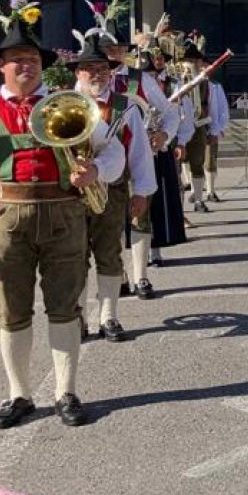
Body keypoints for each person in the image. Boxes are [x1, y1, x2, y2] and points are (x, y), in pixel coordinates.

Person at [0, 3, 124, 429]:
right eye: (16, 60)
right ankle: (19, 394)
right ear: (1, 67)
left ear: (42, 66)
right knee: (12, 309)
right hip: (8, 220)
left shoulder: (72, 105)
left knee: (66, 306)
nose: (25, 66)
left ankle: (66, 392)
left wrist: (97, 171)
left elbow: (114, 151)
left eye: (31, 59)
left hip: (64, 216)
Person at [69, 33, 155, 342]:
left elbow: (140, 152)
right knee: (74, 256)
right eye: (90, 69)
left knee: (109, 253)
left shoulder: (125, 106)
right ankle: (77, 317)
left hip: (113, 190)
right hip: (71, 194)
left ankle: (109, 316)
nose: (97, 74)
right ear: (78, 72)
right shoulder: (63, 103)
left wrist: (141, 191)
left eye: (103, 69)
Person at [127, 49, 185, 298]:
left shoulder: (139, 79)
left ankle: (140, 276)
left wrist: (164, 135)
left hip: (138, 155)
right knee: (108, 223)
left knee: (140, 215)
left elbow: (170, 112)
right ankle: (119, 276)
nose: (111, 55)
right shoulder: (86, 81)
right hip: (102, 159)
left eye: (116, 49)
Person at [178, 38, 227, 212]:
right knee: (177, 166)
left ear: (199, 63)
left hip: (198, 126)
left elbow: (213, 107)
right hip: (178, 128)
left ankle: (198, 200)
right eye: (187, 61)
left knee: (198, 163)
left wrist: (214, 130)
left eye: (194, 61)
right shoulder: (175, 81)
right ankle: (179, 206)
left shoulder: (207, 84)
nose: (190, 64)